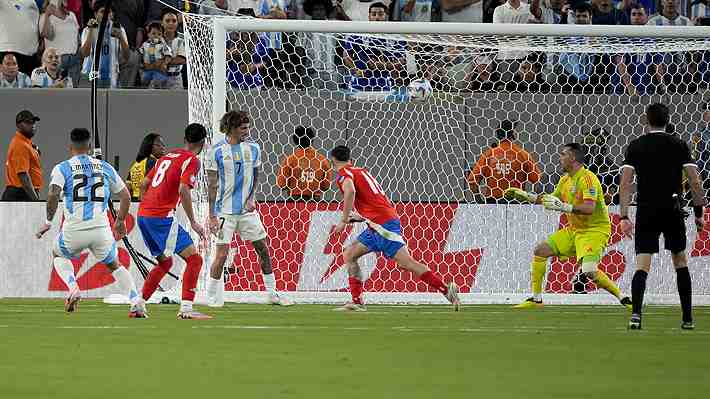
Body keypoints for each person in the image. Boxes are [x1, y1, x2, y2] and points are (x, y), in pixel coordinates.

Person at [330, 145, 461, 311]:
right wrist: (362, 217)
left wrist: (343, 220)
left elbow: (350, 192)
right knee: (349, 254)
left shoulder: (344, 174)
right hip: (377, 223)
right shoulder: (361, 171)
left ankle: (446, 290)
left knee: (406, 263)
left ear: (333, 160)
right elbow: (374, 200)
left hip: (382, 225)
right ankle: (357, 302)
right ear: (351, 159)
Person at [34, 128, 147, 318]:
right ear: (89, 146)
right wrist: (119, 221)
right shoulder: (104, 167)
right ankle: (135, 301)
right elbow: (125, 195)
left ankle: (72, 288)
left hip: (74, 229)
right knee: (115, 265)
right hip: (101, 230)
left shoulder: (63, 167)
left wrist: (48, 221)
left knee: (58, 255)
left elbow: (53, 193)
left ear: (70, 146)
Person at [504, 143, 632, 309]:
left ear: (573, 158)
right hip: (574, 230)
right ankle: (536, 300)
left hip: (594, 230)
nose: (560, 158)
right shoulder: (565, 179)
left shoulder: (588, 178)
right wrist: (526, 196)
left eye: (563, 154)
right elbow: (550, 199)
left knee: (589, 270)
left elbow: (589, 208)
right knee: (540, 251)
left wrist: (564, 207)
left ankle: (623, 298)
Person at [619, 103, 706, 330]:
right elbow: (695, 181)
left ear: (646, 120)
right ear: (668, 120)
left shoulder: (636, 146)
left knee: (642, 263)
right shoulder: (679, 145)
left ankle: (636, 315)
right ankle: (687, 318)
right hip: (672, 208)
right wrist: (699, 213)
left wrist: (624, 216)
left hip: (647, 209)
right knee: (680, 260)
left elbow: (626, 183)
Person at [205, 111, 293, 307]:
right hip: (224, 212)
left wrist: (251, 197)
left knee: (263, 249)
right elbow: (212, 185)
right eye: (243, 128)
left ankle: (272, 294)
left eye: (248, 127)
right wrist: (211, 216)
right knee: (221, 255)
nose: (247, 131)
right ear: (232, 128)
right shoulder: (216, 151)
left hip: (247, 212)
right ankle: (210, 297)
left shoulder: (253, 148)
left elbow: (256, 175)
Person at [137, 123, 210, 319]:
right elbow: (183, 190)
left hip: (143, 215)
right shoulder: (192, 160)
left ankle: (138, 304)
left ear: (185, 139)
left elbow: (144, 184)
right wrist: (194, 222)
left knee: (165, 263)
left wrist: (148, 205)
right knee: (195, 259)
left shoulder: (166, 157)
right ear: (203, 143)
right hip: (161, 218)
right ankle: (186, 309)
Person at [467, 120, 541, 202]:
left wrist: (479, 201)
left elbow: (472, 181)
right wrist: (534, 201)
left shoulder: (489, 154)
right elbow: (539, 181)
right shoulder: (523, 155)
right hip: (517, 204)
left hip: (492, 204)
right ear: (513, 134)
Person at [78, 0, 130, 88]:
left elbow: (127, 57)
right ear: (95, 14)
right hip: (90, 75)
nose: (106, 15)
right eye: (102, 12)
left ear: (112, 14)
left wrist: (121, 37)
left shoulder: (118, 29)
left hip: (111, 76)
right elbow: (85, 53)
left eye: (108, 12)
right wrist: (91, 31)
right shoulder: (88, 29)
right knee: (88, 101)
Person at [276, 126, 333, 200]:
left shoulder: (289, 160)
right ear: (312, 140)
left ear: (295, 140)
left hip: (294, 202)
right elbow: (326, 186)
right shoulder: (323, 161)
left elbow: (282, 184)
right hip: (315, 202)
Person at [39, 0, 81, 86]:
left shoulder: (72, 15)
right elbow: (48, 35)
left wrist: (78, 57)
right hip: (57, 60)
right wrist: (47, 15)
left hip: (73, 60)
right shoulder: (44, 16)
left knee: (73, 92)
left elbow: (77, 38)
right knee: (56, 92)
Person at [3, 110, 43, 201]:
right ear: (18, 125)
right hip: (20, 194)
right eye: (28, 122)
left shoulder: (26, 143)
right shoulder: (20, 145)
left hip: (23, 193)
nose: (32, 125)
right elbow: (23, 176)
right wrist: (35, 201)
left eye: (33, 122)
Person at [126, 133, 167, 201]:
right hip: (147, 202)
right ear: (149, 146)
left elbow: (128, 187)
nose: (163, 148)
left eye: (163, 145)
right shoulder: (154, 162)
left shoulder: (136, 163)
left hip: (134, 201)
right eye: (159, 145)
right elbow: (146, 185)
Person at [139, 22, 173, 89]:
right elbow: (140, 53)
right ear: (148, 34)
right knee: (144, 81)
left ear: (162, 35)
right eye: (153, 33)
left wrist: (164, 63)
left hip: (159, 69)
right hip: (147, 69)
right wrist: (142, 64)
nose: (156, 36)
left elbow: (168, 55)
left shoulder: (163, 45)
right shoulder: (145, 44)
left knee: (157, 82)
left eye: (159, 34)